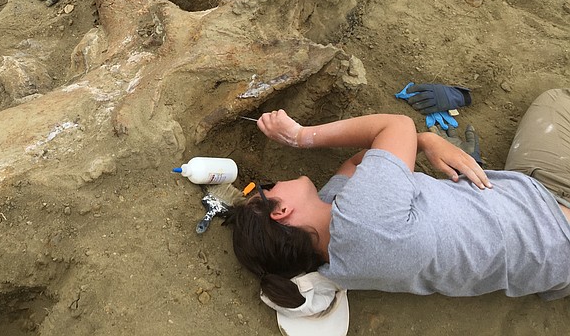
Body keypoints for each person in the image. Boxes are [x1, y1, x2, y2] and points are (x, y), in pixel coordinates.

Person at [225, 89, 570, 320]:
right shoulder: (363, 221)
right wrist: (301, 136)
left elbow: (358, 163)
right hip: (555, 225)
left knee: (555, 99)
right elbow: (396, 125)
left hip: (525, 192)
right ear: (281, 211)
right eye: (267, 187)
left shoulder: (336, 250)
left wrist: (417, 144)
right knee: (559, 101)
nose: (275, 180)